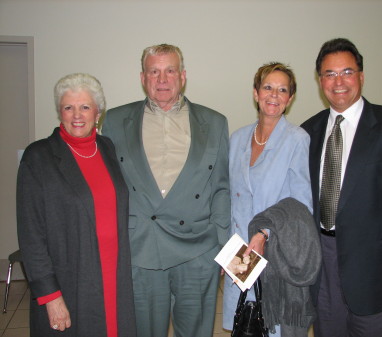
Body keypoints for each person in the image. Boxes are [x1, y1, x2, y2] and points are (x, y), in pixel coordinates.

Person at [301, 38, 382, 337]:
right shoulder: (308, 132)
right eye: (330, 74)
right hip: (323, 265)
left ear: (361, 75)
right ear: (320, 81)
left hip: (375, 269)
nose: (339, 81)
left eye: (347, 71)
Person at [101, 44, 230, 337]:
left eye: (170, 70)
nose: (162, 79)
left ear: (182, 76)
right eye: (154, 71)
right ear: (143, 77)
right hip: (141, 247)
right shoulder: (115, 121)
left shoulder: (214, 122)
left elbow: (221, 187)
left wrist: (221, 247)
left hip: (198, 249)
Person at [17, 73, 136, 337]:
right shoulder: (38, 157)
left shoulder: (107, 148)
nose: (77, 115)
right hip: (70, 281)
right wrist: (50, 296)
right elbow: (31, 235)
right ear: (60, 112)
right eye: (68, 107)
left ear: (98, 112)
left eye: (85, 107)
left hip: (114, 278)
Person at [223, 62, 320, 337]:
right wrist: (227, 251)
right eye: (268, 87)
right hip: (241, 254)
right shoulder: (238, 138)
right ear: (256, 93)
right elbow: (231, 200)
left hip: (275, 249)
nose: (274, 95)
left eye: (282, 90)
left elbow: (301, 203)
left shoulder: (297, 139)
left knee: (273, 326)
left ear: (290, 98)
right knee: (246, 324)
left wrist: (265, 232)